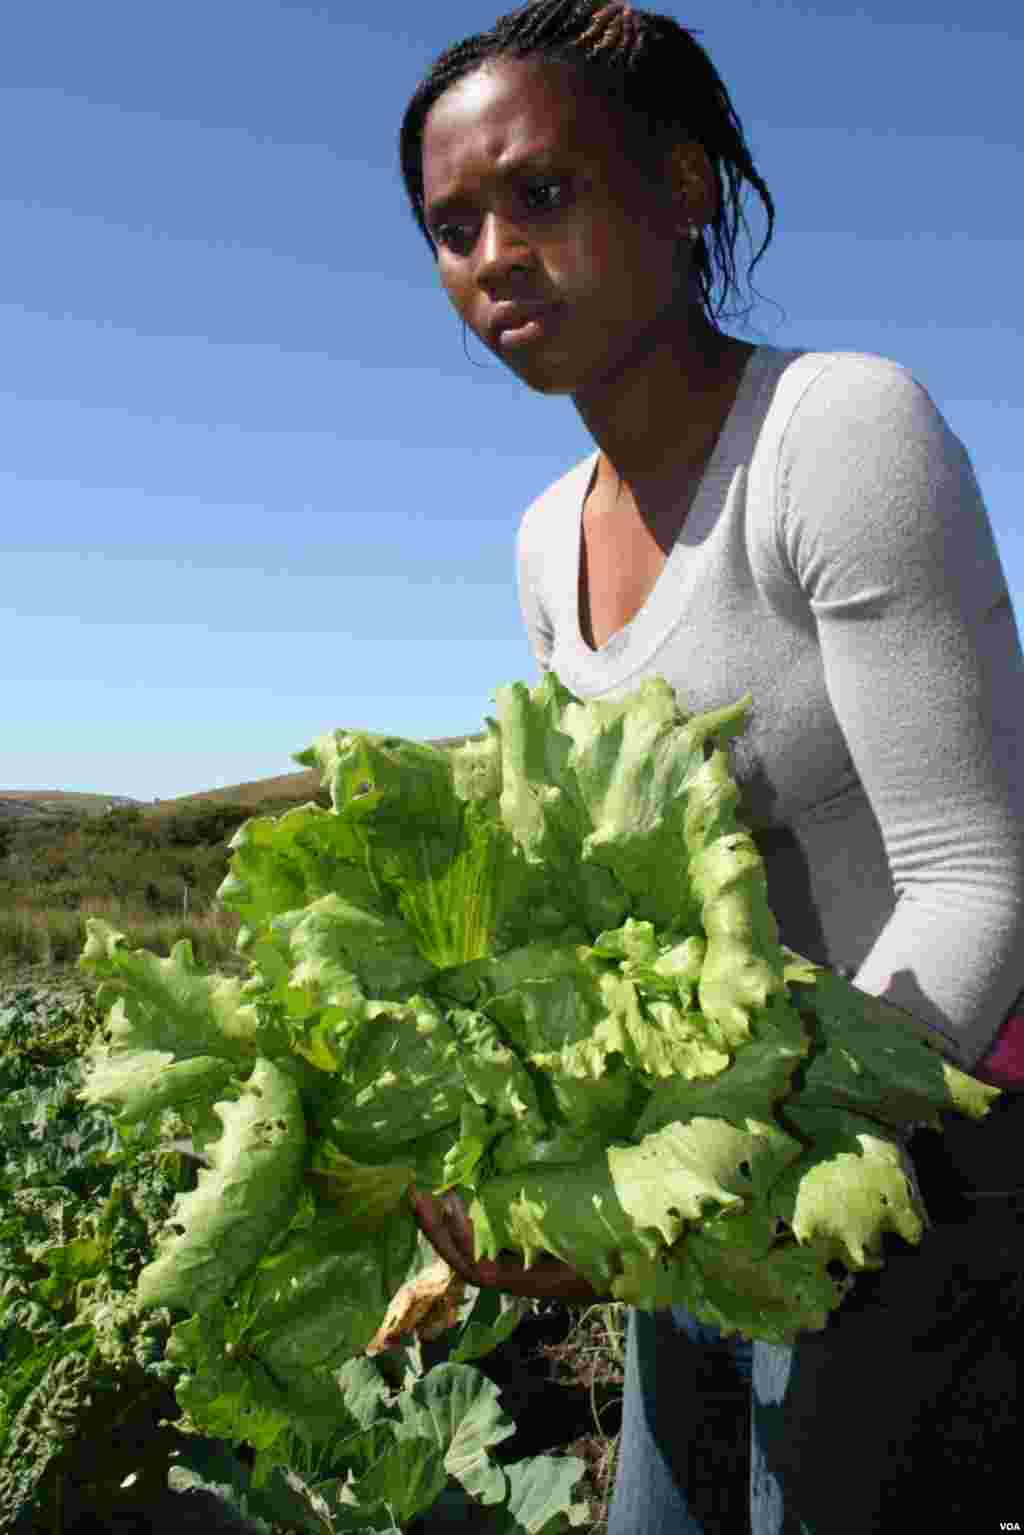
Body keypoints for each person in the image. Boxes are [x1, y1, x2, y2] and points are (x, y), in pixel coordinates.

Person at [397, 3, 1024, 1528]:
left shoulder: (836, 433)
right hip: (703, 1179)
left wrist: (714, 1164)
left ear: (680, 189)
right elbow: (620, 904)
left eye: (539, 194)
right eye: (453, 224)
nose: (492, 255)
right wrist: (520, 1169)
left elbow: (977, 880)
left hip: (921, 1165)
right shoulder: (548, 542)